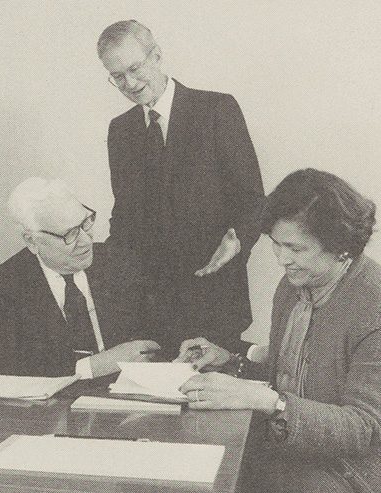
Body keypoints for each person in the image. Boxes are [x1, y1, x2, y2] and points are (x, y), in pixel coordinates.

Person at [175, 169, 381, 493]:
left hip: (347, 474)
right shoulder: (292, 288)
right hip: (285, 454)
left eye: (296, 249)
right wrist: (230, 360)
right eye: (276, 244)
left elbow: (363, 429)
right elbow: (289, 379)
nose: (282, 260)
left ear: (342, 247)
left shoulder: (374, 305)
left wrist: (269, 401)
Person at [97, 20, 265, 353]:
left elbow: (253, 200)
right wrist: (109, 273)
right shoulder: (121, 130)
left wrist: (238, 242)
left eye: (135, 68)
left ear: (156, 56)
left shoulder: (217, 109)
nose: (129, 83)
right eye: (117, 76)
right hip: (149, 307)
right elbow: (125, 213)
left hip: (214, 296)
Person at [0, 178, 159, 378]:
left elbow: (158, 331)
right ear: (32, 241)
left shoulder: (119, 262)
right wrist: (97, 365)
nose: (85, 241)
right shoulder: (2, 287)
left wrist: (188, 346)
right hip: (51, 407)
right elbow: (12, 372)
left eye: (85, 223)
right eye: (70, 234)